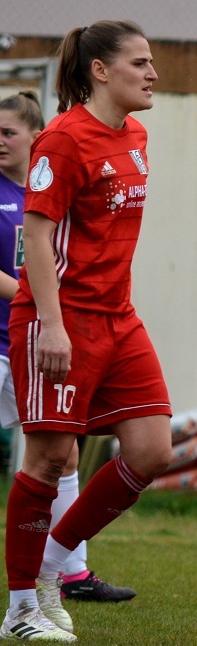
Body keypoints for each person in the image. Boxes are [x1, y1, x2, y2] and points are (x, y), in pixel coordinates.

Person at [2, 20, 171, 643]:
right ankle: (21, 609)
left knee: (152, 451)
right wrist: (50, 325)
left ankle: (51, 565)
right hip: (61, 319)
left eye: (151, 62)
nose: (152, 73)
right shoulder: (63, 139)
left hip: (119, 318)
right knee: (49, 460)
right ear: (100, 70)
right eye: (140, 63)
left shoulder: (137, 135)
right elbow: (37, 235)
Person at [0, 91, 138, 609]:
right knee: (48, 457)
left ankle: (69, 570)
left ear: (35, 138)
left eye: (8, 133)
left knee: (63, 453)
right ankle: (32, 593)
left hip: (46, 335)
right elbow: (36, 264)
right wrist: (42, 302)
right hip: (23, 335)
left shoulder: (58, 180)